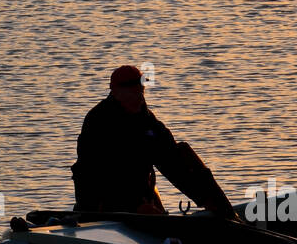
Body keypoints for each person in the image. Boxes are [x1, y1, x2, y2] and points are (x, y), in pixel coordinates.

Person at [71, 65, 236, 217]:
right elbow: (96, 174)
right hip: (103, 204)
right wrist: (133, 206)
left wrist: (205, 198)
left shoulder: (147, 120)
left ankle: (222, 210)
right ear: (115, 91)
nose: (139, 93)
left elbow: (172, 161)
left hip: (139, 198)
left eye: (141, 87)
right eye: (133, 88)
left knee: (182, 152)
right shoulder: (99, 121)